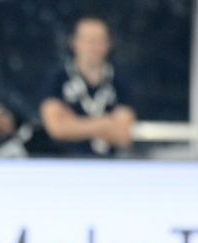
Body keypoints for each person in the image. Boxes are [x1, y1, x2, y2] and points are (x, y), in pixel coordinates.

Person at [39, 15, 136, 156]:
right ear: (74, 42)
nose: (93, 47)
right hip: (64, 161)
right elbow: (56, 129)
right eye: (87, 40)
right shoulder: (57, 80)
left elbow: (123, 135)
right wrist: (105, 123)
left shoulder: (119, 83)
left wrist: (73, 124)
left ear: (108, 44)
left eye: (98, 40)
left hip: (109, 163)